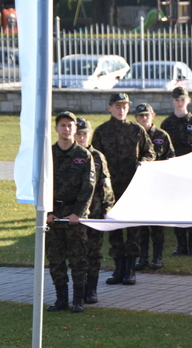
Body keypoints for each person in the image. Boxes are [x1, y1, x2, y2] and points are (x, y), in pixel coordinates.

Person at [91, 92, 155, 286]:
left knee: (133, 229)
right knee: (114, 228)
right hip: (110, 189)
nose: (121, 109)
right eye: (117, 106)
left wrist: (143, 161)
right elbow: (94, 158)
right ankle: (118, 268)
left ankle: (130, 269)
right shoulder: (102, 131)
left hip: (131, 187)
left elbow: (150, 152)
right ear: (109, 108)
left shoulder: (136, 130)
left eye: (124, 106)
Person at [46, 112, 95, 313]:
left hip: (74, 216)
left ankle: (78, 300)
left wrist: (78, 213)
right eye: (62, 125)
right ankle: (61, 299)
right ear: (56, 128)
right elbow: (41, 184)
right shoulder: (48, 154)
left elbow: (88, 187)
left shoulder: (84, 156)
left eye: (70, 126)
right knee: (55, 259)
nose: (66, 129)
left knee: (78, 260)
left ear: (75, 129)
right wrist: (47, 212)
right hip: (54, 215)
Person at [161, 87, 192, 256]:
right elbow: (162, 147)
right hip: (175, 170)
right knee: (177, 207)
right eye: (177, 100)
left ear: (188, 101)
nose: (180, 103)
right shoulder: (167, 124)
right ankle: (181, 244)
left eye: (183, 99)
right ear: (172, 101)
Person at [74, 117, 115, 304]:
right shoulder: (70, 155)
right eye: (79, 134)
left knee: (93, 252)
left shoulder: (97, 156)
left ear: (90, 134)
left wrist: (107, 208)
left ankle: (91, 289)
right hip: (74, 212)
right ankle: (78, 290)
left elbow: (105, 184)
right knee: (77, 253)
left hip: (95, 213)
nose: (82, 137)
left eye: (85, 134)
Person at [134, 103, 174, 271]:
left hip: (158, 186)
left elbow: (171, 158)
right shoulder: (133, 134)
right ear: (136, 118)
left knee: (157, 226)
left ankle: (157, 258)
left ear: (153, 116)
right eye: (141, 116)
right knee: (141, 226)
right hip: (139, 186)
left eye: (147, 115)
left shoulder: (162, 135)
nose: (144, 118)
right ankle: (143, 257)